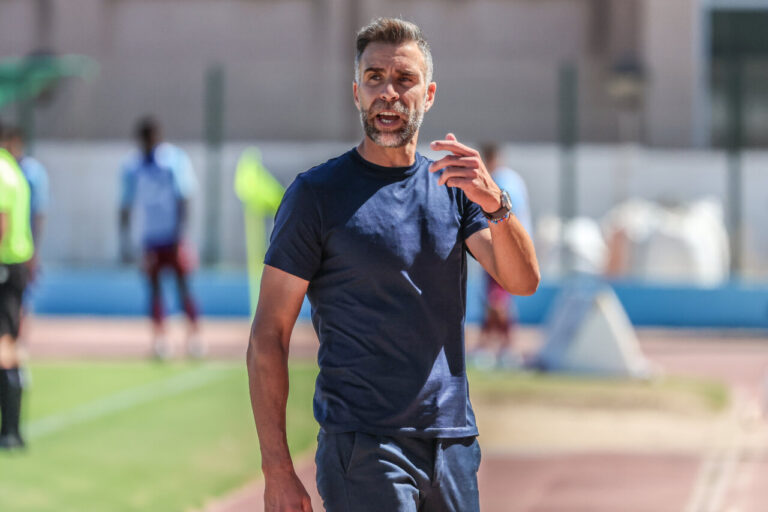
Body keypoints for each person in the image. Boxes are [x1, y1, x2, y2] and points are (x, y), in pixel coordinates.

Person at [247, 18, 539, 512]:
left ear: (428, 95)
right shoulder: (316, 195)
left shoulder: (455, 189)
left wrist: (495, 202)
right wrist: (277, 468)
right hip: (364, 447)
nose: (389, 92)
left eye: (404, 79)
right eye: (375, 78)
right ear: (356, 92)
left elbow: (522, 281)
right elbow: (268, 335)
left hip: (452, 444)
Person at [119, 117, 203, 360]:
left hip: (173, 236)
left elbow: (184, 198)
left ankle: (194, 338)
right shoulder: (133, 166)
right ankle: (160, 341)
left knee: (183, 287)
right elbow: (125, 203)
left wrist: (181, 234)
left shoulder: (174, 161)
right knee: (154, 290)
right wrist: (125, 239)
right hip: (150, 238)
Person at [471, 143, 533, 369]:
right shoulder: (511, 179)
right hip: (505, 246)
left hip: (503, 247)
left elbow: (506, 216)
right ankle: (496, 346)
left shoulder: (500, 180)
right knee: (494, 298)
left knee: (497, 299)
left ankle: (503, 348)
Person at [0, 123, 35, 450]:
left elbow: (1, 221)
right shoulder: (15, 171)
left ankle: (10, 430)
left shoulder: (1, 170)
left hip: (4, 266)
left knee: (4, 344)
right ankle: (12, 429)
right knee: (10, 341)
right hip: (16, 265)